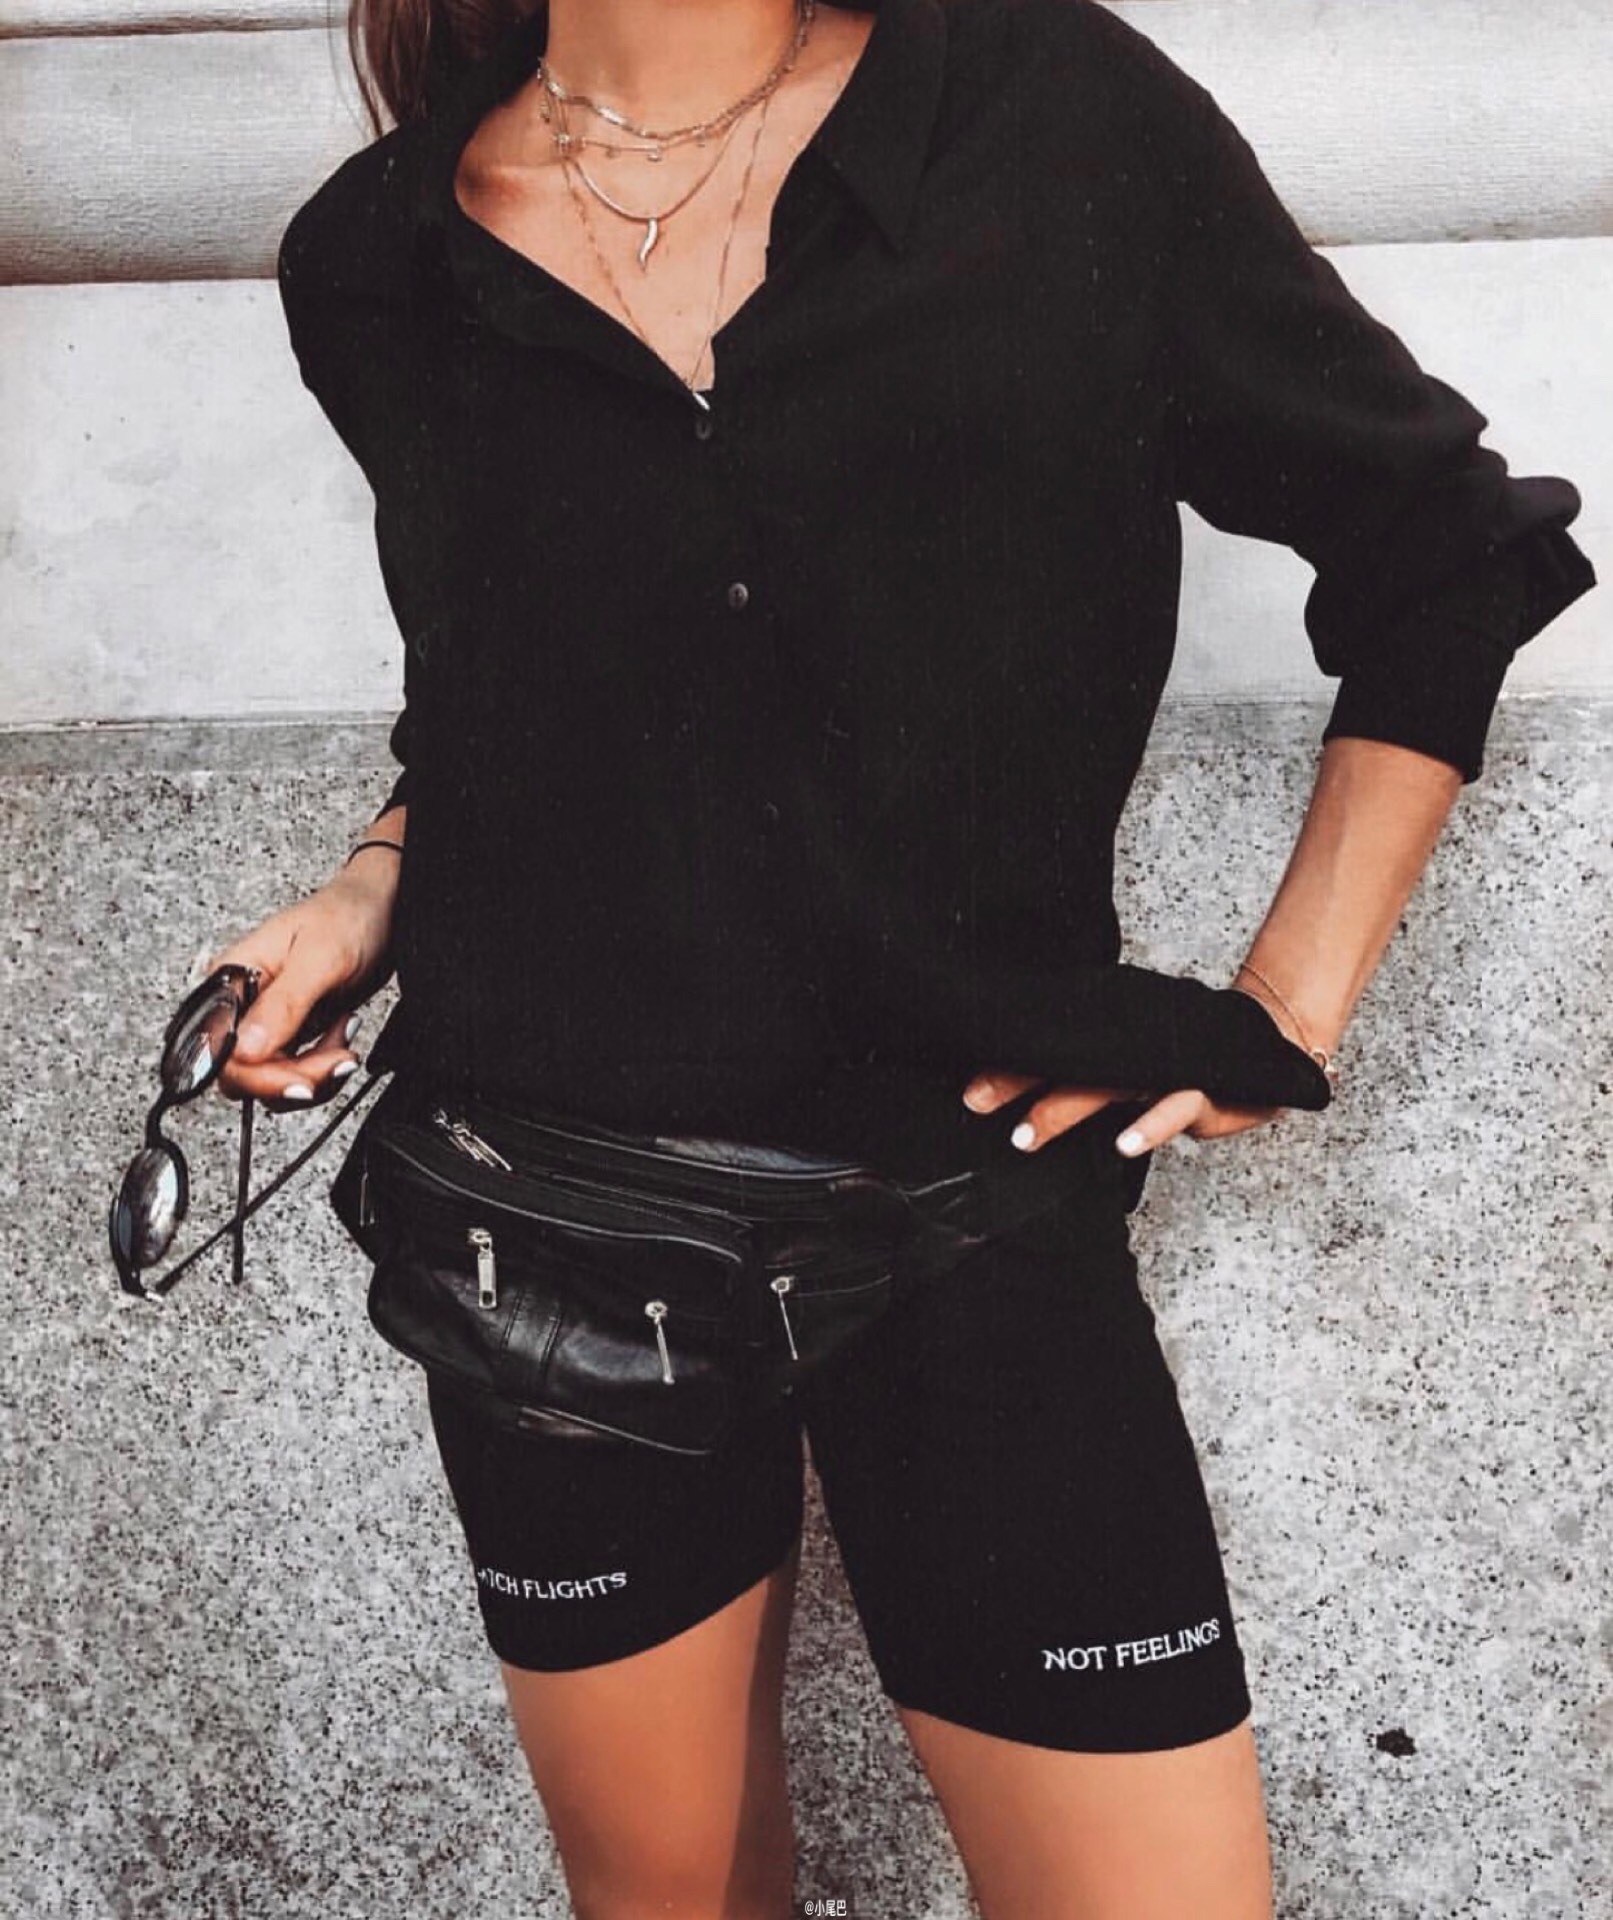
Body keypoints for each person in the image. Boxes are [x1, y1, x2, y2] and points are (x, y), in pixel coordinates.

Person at [206, 0, 1596, 1911]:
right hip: (554, 1222)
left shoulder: (1051, 114)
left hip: (978, 1199)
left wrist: (1288, 1001)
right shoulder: (378, 251)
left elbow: (1438, 545)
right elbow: (519, 677)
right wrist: (374, 882)